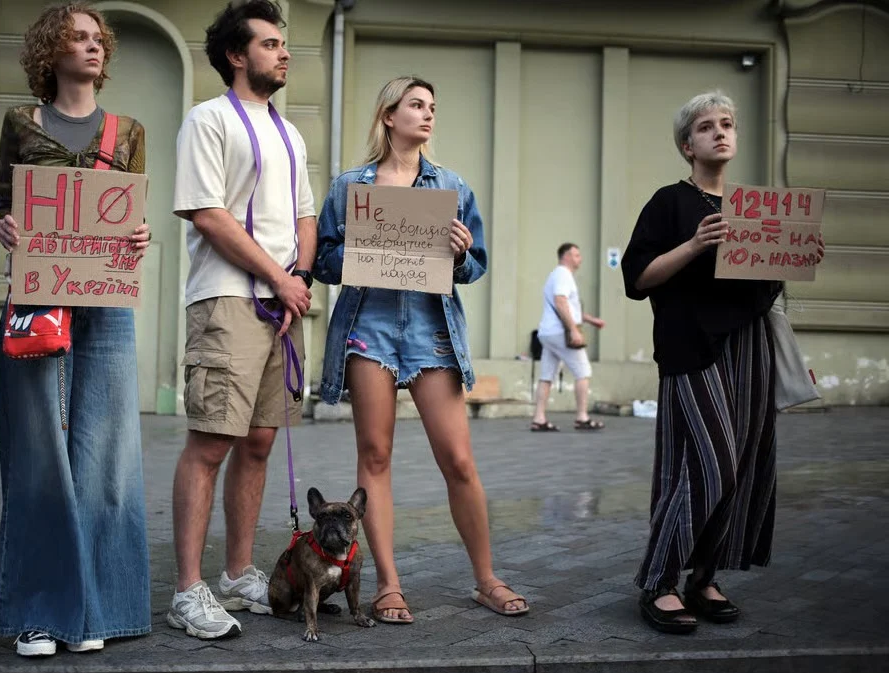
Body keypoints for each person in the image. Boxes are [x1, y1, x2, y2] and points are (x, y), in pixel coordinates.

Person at [315, 76, 529, 623]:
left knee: (458, 459)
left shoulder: (450, 185)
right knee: (375, 457)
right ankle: (387, 584)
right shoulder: (350, 187)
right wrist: (362, 249)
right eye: (415, 105)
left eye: (432, 106)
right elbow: (322, 260)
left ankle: (486, 579)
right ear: (389, 116)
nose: (427, 114)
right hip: (370, 327)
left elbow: (476, 263)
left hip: (432, 329)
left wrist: (459, 255)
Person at [621, 91, 824, 634]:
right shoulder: (669, 202)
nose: (720, 133)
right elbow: (637, 278)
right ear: (688, 145)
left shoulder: (755, 208)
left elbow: (761, 286)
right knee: (714, 463)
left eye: (727, 124)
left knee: (749, 463)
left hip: (750, 344)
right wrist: (692, 245)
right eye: (706, 127)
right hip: (692, 346)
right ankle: (659, 580)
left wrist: (797, 255)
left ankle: (704, 576)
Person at [0, 3, 152, 657]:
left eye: (96, 39)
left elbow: (133, 214)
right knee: (38, 457)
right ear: (49, 53)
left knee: (106, 459)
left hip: (107, 303)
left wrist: (140, 236)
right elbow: (8, 204)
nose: (90, 47)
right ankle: (37, 611)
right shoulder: (19, 122)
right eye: (76, 38)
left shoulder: (130, 130)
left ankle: (95, 609)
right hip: (36, 296)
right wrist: (5, 226)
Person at [168, 0, 316, 639]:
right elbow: (207, 213)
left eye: (285, 44)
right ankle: (186, 592)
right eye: (271, 44)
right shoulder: (207, 120)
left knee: (259, 442)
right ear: (236, 54)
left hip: (284, 306)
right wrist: (278, 278)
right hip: (228, 301)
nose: (285, 53)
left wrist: (299, 281)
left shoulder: (291, 132)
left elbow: (305, 217)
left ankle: (234, 575)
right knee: (211, 444)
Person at [530, 242, 606, 432]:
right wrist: (574, 329)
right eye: (576, 255)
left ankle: (539, 419)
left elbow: (567, 307)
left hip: (548, 332)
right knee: (583, 371)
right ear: (565, 257)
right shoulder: (563, 274)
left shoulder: (556, 275)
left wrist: (590, 320)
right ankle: (582, 417)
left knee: (546, 375)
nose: (579, 259)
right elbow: (560, 301)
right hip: (560, 333)